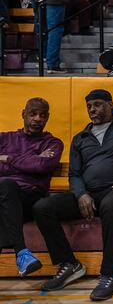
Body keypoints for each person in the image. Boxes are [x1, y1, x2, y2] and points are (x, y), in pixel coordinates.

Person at [34, 89, 113, 301]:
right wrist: (82, 194)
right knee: (42, 207)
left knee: (110, 205)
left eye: (97, 104)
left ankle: (108, 276)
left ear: (111, 105)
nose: (92, 109)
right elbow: (74, 174)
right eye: (89, 106)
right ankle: (69, 263)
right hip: (88, 194)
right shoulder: (80, 137)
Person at [0, 98, 63, 277]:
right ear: (23, 114)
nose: (37, 119)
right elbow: (34, 165)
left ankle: (21, 253)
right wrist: (30, 162)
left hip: (30, 198)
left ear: (47, 118)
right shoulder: (5, 138)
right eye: (33, 114)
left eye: (42, 115)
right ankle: (22, 255)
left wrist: (7, 159)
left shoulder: (53, 143)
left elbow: (41, 166)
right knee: (5, 189)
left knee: (6, 185)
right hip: (5, 198)